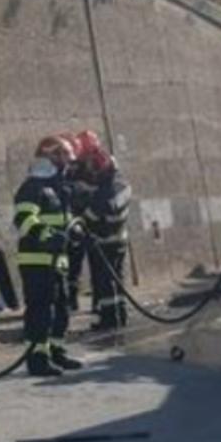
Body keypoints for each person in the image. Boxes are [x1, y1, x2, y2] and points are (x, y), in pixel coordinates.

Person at [12, 135, 83, 377]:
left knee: (61, 307)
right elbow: (23, 219)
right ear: (49, 156)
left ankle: (56, 351)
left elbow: (65, 218)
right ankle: (37, 358)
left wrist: (76, 228)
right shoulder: (32, 186)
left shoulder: (58, 187)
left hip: (58, 260)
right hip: (36, 260)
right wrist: (46, 234)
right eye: (62, 155)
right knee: (41, 310)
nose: (67, 161)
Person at [67, 130, 134, 333]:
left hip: (103, 241)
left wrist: (81, 214)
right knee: (116, 280)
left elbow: (92, 216)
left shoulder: (104, 193)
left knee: (104, 282)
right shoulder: (122, 184)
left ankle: (109, 318)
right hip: (119, 239)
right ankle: (119, 313)